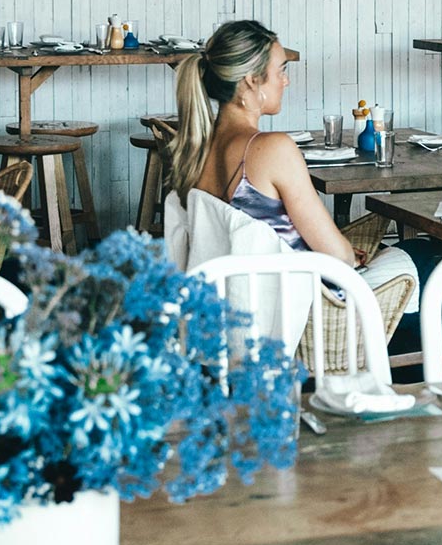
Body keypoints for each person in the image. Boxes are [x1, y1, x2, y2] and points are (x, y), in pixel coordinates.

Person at [162, 19, 424, 320]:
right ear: (251, 80)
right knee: (427, 256)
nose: (285, 81)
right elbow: (338, 257)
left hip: (241, 307)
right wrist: (349, 254)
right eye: (281, 71)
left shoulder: (195, 150)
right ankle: (395, 364)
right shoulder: (272, 149)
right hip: (303, 312)